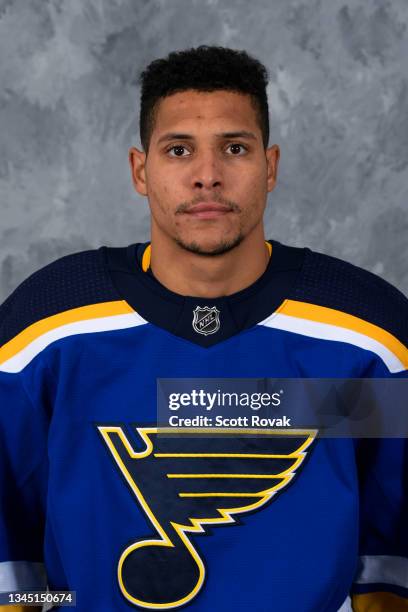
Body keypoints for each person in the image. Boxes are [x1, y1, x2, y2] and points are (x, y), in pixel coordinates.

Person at [0, 45, 407, 612]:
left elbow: (390, 555)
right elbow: (11, 558)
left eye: (234, 149)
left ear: (270, 166)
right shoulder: (45, 332)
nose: (207, 176)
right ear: (141, 171)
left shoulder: (367, 335)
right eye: (179, 150)